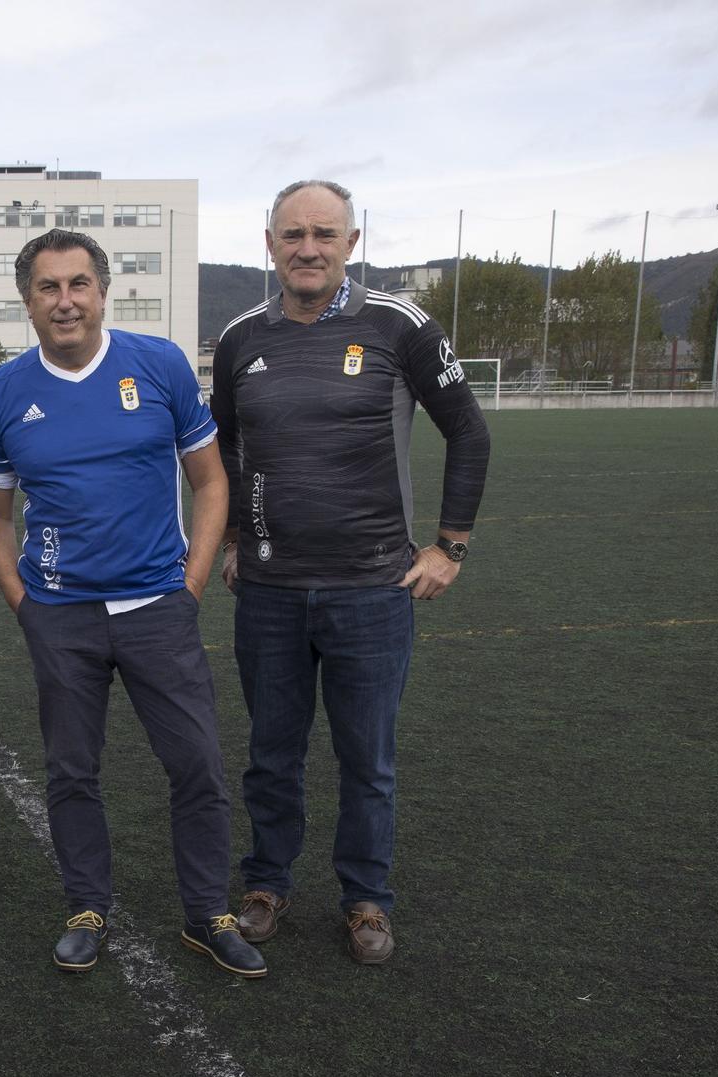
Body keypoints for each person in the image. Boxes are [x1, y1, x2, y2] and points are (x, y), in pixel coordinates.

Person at [211, 179, 492, 964]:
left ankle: (366, 899)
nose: (308, 249)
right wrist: (235, 536)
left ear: (352, 243)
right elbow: (223, 452)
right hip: (267, 591)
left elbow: (468, 432)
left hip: (373, 588)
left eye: (324, 235)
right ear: (268, 244)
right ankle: (265, 884)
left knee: (367, 757)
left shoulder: (399, 325)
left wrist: (449, 547)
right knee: (272, 751)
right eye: (293, 234)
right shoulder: (239, 339)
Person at [0, 229, 264, 979]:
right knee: (72, 769)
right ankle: (86, 906)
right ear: (27, 301)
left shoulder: (159, 364)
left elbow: (209, 482)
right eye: (49, 287)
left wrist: (190, 584)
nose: (65, 300)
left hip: (157, 608)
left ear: (104, 291)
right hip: (60, 613)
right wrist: (23, 602)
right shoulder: (4, 392)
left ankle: (208, 912)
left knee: (197, 762)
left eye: (78, 284)